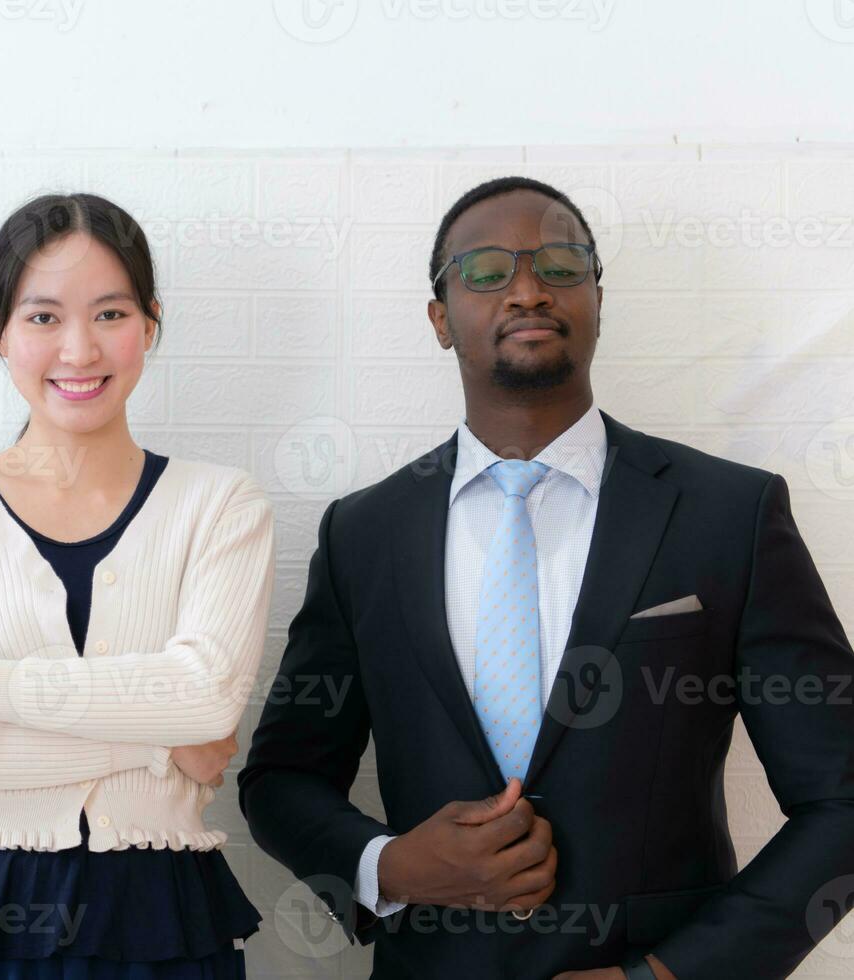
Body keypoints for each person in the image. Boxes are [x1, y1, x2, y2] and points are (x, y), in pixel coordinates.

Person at [238, 176, 854, 979]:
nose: (527, 289)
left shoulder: (728, 513)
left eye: (561, 265)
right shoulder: (364, 533)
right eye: (486, 272)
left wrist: (673, 976)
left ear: (598, 296)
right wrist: (388, 867)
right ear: (439, 317)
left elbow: (841, 800)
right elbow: (281, 780)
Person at [0, 193, 274, 978]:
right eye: (43, 318)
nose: (79, 350)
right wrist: (161, 736)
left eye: (109, 314)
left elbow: (207, 698)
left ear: (150, 324)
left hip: (160, 911)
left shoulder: (221, 505)